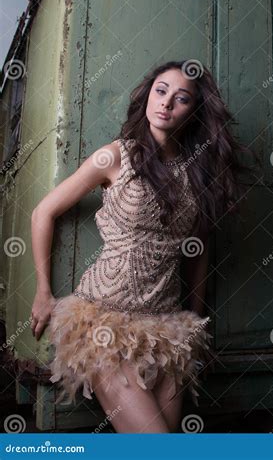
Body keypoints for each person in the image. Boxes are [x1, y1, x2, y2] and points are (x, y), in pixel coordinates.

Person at [30, 60, 255, 433]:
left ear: (193, 110)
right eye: (161, 91)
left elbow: (199, 253)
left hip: (166, 330)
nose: (166, 103)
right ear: (148, 95)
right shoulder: (117, 156)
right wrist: (42, 291)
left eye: (181, 98)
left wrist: (194, 321)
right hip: (102, 323)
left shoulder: (197, 172)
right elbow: (43, 212)